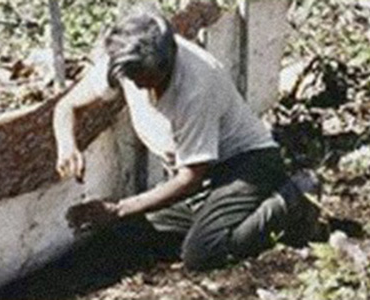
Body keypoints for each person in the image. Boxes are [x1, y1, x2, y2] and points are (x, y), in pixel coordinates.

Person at [54, 2, 326, 271]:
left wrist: (119, 209)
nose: (140, 86)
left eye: (148, 78)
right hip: (200, 176)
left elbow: (191, 178)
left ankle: (293, 198)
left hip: (245, 165)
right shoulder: (125, 59)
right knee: (128, 236)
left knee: (203, 253)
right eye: (134, 79)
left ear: (169, 59)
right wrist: (67, 145)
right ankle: (214, 216)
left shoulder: (195, 87)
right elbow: (66, 106)